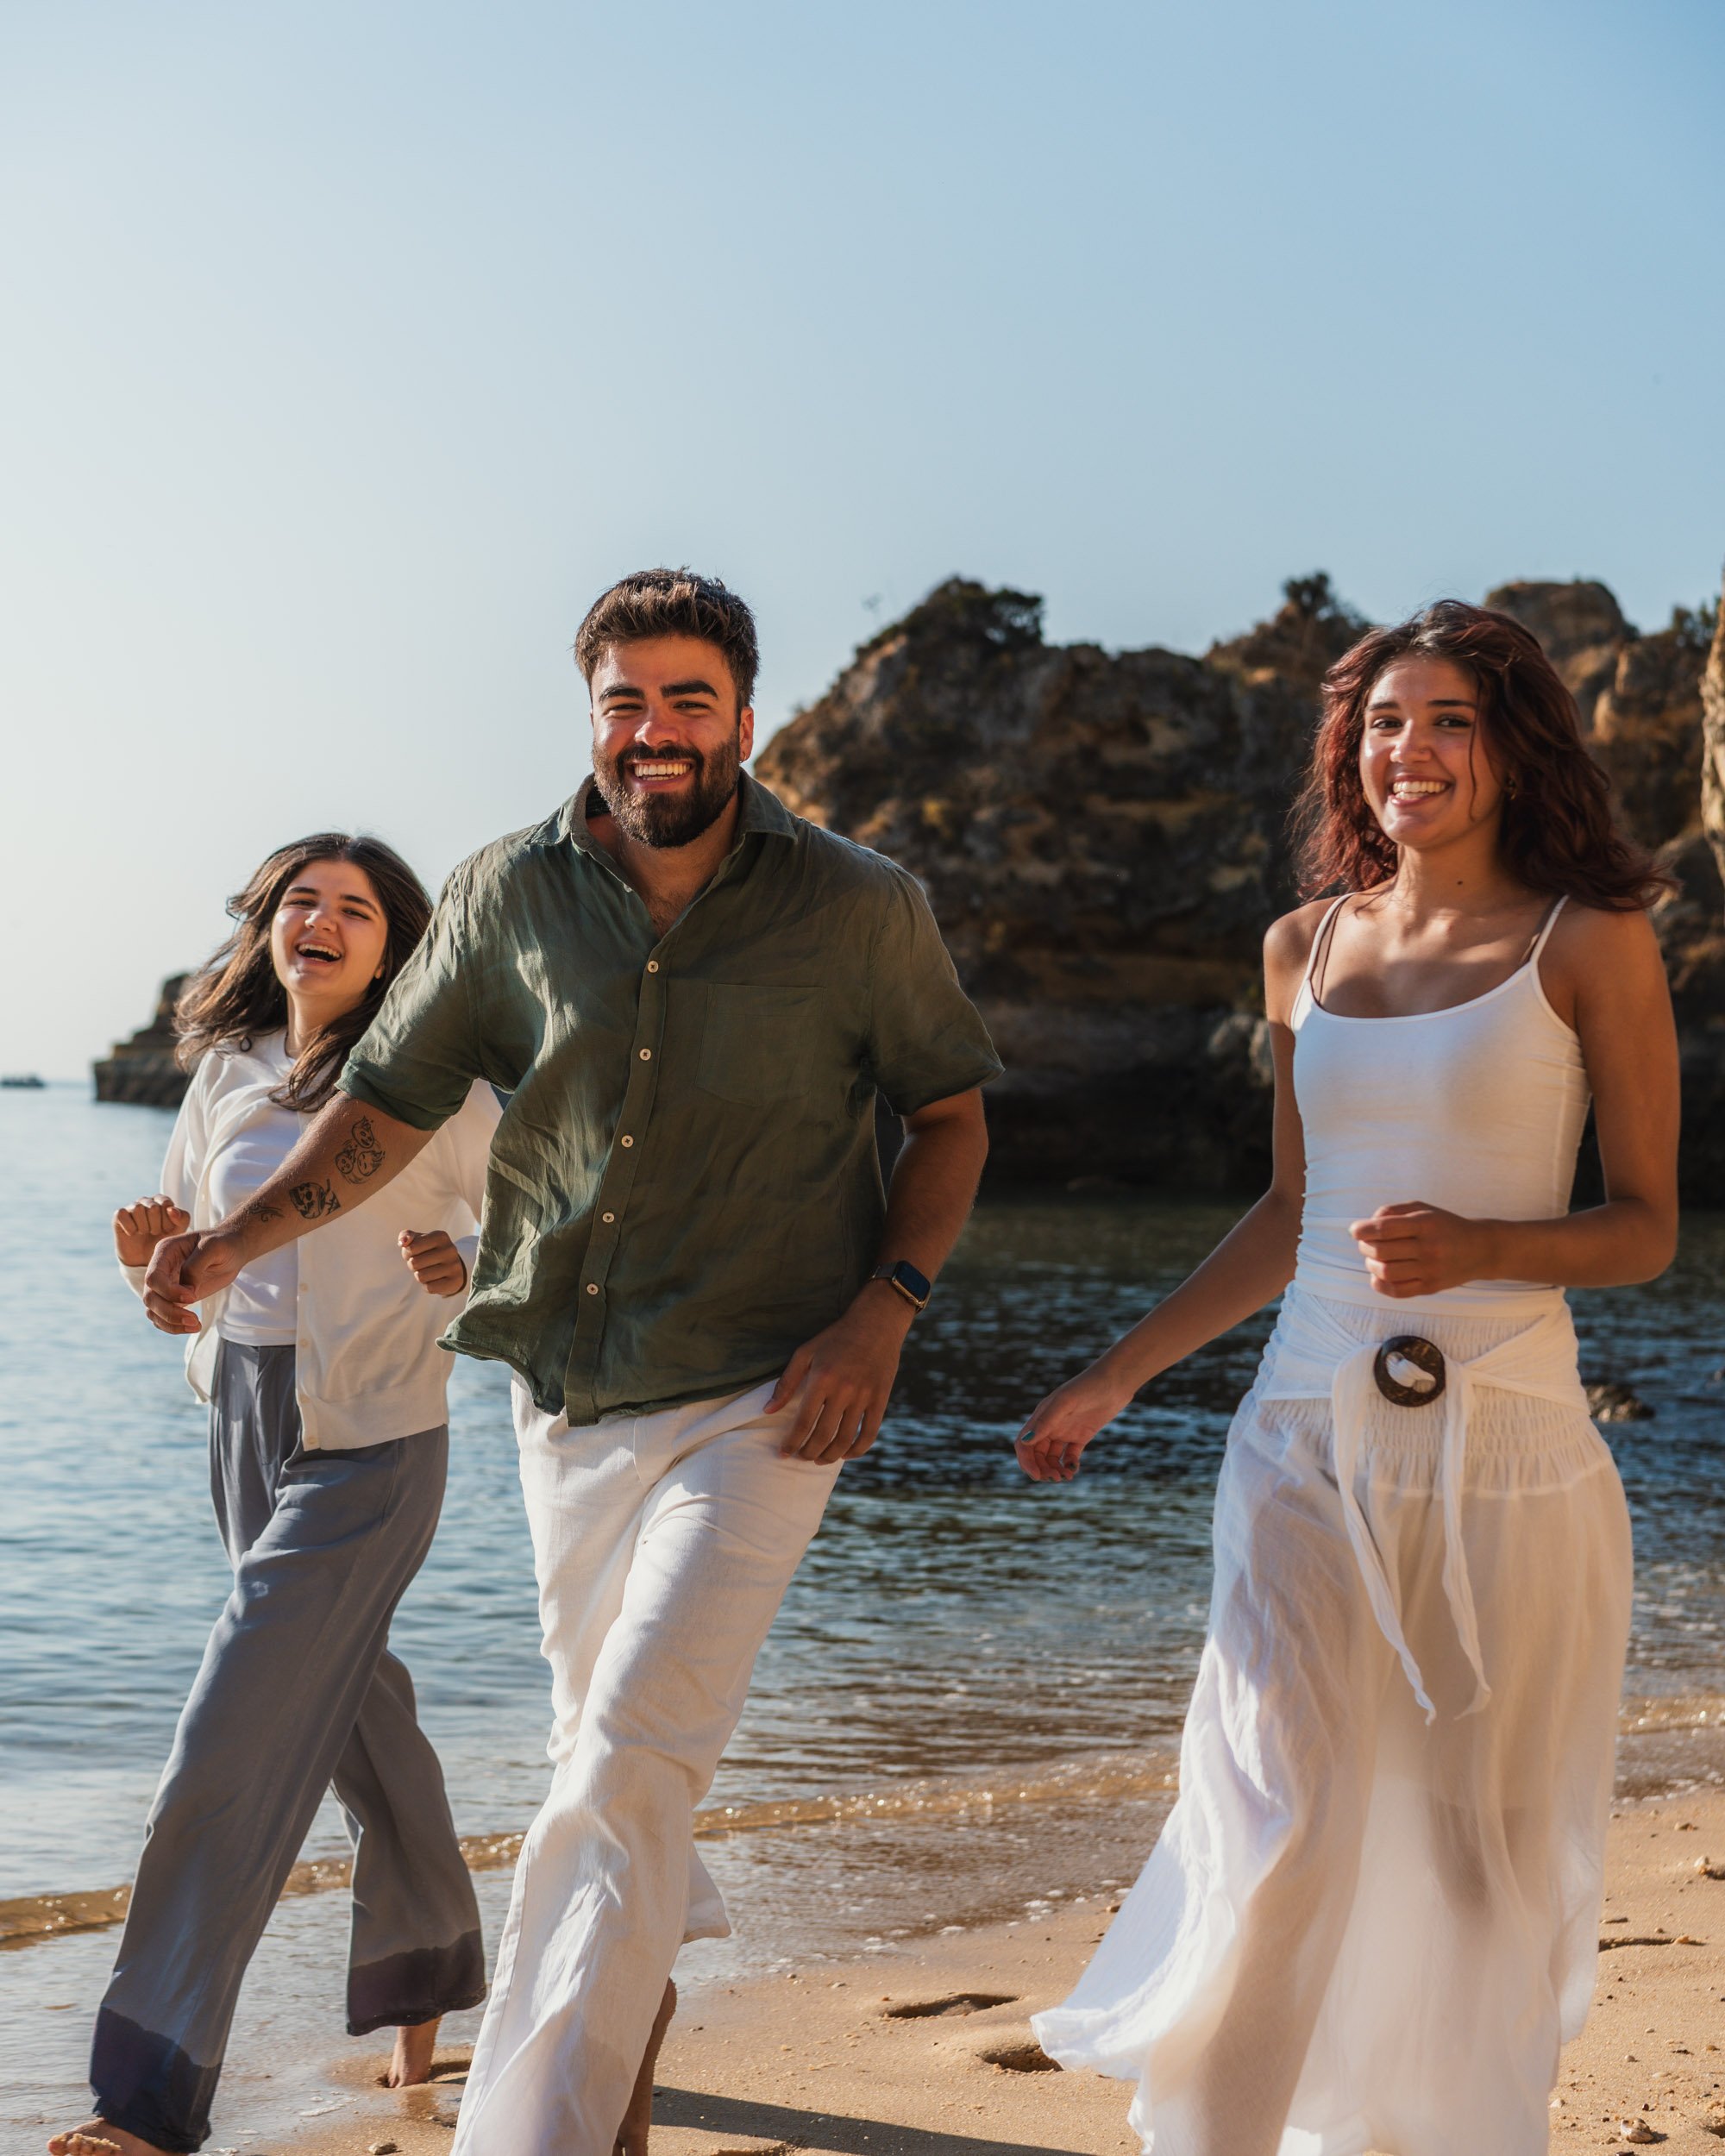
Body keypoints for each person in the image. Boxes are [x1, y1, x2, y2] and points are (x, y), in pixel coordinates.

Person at [139, 569, 1002, 2156]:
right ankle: (612, 2106)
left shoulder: (859, 905)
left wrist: (884, 1310)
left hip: (770, 1390)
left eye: (689, 699)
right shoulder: (503, 892)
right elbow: (384, 1108)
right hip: (568, 1396)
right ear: (589, 712)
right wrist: (235, 1242)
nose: (654, 730)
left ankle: (526, 2134)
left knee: (626, 1755)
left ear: (750, 716)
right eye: (624, 698)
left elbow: (949, 1114)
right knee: (607, 1761)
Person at [1016, 601, 1678, 2154]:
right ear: (1350, 751)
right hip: (1303, 1430)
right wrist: (1118, 1376)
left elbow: (1648, 1227)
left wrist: (1484, 1246)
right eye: (1387, 722)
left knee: (1475, 1860)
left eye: (1451, 720)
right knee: (1284, 1812)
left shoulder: (1587, 940)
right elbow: (1290, 1212)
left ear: (1513, 748)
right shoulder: (1301, 947)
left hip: (1507, 1445)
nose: (1413, 751)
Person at [53, 836, 500, 2156]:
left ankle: (143, 2099)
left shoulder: (437, 1084)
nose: (323, 918)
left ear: (393, 945)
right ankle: (429, 1991)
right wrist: (156, 1277)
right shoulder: (224, 1074)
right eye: (302, 898)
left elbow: (535, 1220)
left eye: (355, 907)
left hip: (373, 1446)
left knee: (228, 1738)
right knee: (366, 1718)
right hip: (243, 1420)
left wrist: (461, 1259)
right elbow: (189, 1273)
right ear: (269, 927)